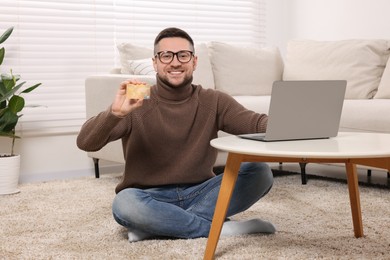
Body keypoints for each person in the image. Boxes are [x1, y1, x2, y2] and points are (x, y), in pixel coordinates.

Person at [77, 27, 275, 242]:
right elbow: (86, 142)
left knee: (258, 171)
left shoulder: (213, 100)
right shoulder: (137, 99)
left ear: (194, 61)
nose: (175, 62)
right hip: (147, 195)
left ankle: (160, 226)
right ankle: (218, 229)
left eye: (183, 55)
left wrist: (298, 122)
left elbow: (256, 123)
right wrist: (114, 114)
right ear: (155, 63)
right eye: (166, 56)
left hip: (201, 192)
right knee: (125, 204)